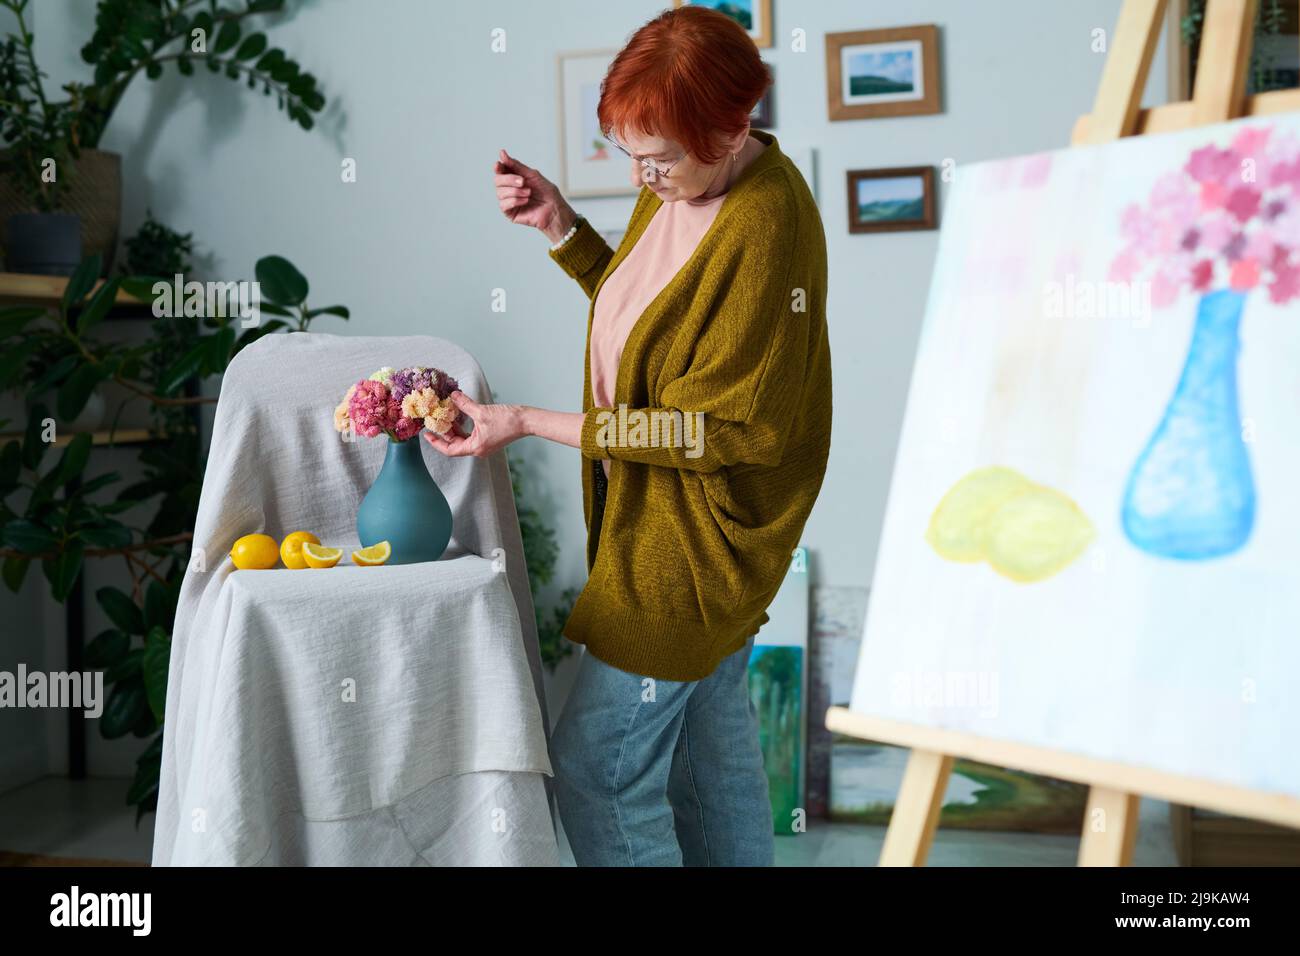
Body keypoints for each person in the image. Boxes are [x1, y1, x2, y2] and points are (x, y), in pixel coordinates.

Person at [424, 5, 832, 866]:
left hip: (697, 543)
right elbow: (652, 323)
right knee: (708, 770)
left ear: (731, 130)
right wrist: (562, 226)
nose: (644, 177)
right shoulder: (686, 189)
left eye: (659, 159)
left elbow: (707, 426)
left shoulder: (765, 224)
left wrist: (528, 421)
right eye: (630, 155)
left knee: (595, 770)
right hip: (668, 526)